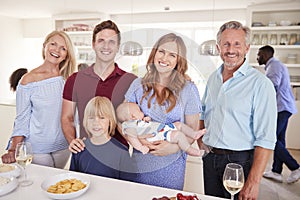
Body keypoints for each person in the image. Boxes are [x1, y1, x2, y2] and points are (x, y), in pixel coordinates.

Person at [198, 21, 277, 200]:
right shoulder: (213, 78)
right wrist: (202, 143)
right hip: (210, 159)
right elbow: (204, 112)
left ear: (247, 47)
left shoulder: (260, 84)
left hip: (239, 162)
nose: (231, 49)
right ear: (219, 47)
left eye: (237, 44)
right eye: (226, 44)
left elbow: (266, 139)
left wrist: (253, 182)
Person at [122, 33, 202, 189]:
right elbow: (124, 120)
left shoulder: (188, 89)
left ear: (179, 60)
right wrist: (139, 141)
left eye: (172, 55)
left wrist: (174, 147)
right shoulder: (137, 85)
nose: (165, 58)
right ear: (154, 53)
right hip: (140, 164)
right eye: (162, 51)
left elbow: (192, 130)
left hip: (171, 168)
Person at [1, 30, 76, 169]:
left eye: (63, 48)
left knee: (56, 184)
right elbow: (22, 119)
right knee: (40, 185)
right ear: (44, 46)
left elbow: (74, 114)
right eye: (53, 44)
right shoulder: (28, 80)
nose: (57, 50)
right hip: (37, 147)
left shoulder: (69, 79)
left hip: (64, 145)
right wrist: (13, 148)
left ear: (66, 55)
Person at [62, 20, 136, 154]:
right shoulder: (75, 79)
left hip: (119, 155)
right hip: (85, 152)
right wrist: (72, 140)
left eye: (112, 42)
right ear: (93, 44)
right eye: (101, 40)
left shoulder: (131, 81)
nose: (106, 46)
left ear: (118, 46)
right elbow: (67, 117)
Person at [257, 45, 300, 184]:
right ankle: (276, 171)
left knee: (272, 139)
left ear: (265, 54)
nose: (257, 57)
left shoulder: (273, 66)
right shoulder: (274, 65)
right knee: (279, 140)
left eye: (259, 54)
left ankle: (295, 167)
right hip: (284, 107)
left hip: (281, 108)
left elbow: (272, 87)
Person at [70, 96, 136, 180]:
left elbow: (129, 184)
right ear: (85, 121)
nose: (96, 122)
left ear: (110, 121)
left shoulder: (121, 151)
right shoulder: (79, 149)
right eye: (91, 118)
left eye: (102, 118)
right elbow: (73, 181)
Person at [116, 102, 205, 156]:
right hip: (158, 136)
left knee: (179, 125)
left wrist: (146, 120)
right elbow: (132, 139)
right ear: (133, 116)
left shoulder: (138, 122)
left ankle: (194, 134)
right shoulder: (129, 127)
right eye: (139, 110)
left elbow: (147, 124)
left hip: (161, 128)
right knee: (178, 135)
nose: (141, 111)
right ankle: (191, 151)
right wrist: (141, 147)